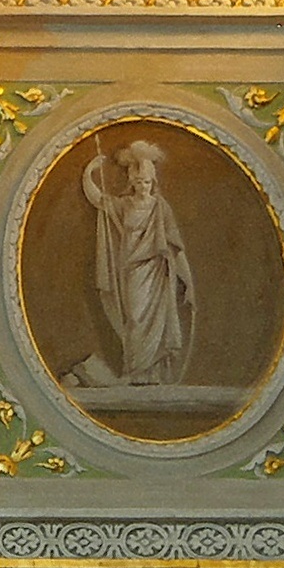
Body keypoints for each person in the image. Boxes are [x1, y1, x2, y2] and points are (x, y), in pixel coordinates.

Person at [82, 136, 198, 387]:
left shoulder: (161, 208)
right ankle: (135, 370)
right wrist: (89, 173)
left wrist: (187, 282)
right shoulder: (124, 205)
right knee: (134, 318)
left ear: (152, 182)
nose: (143, 186)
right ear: (132, 183)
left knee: (158, 321)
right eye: (139, 182)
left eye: (147, 182)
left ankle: (153, 375)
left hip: (157, 271)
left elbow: (176, 248)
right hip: (132, 270)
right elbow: (98, 199)